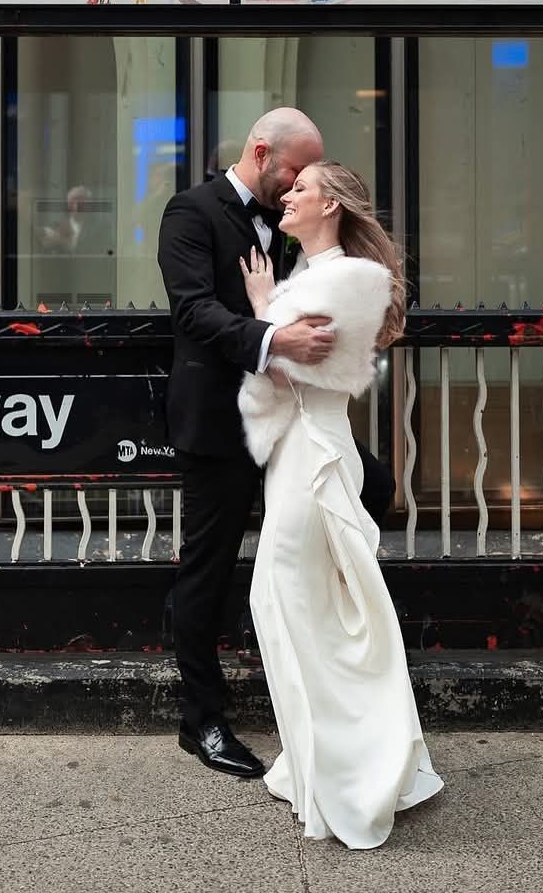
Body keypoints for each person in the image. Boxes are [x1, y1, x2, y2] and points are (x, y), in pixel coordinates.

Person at [156, 109, 396, 780]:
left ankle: (322, 661)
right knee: (208, 567)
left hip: (293, 421)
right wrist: (272, 338)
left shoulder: (294, 220)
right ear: (262, 153)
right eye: (292, 173)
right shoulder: (190, 211)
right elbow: (191, 310)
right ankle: (201, 720)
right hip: (220, 420)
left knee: (373, 490)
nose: (295, 189)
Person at [238, 160, 443, 849]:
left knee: (290, 603)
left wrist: (266, 316)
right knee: (298, 608)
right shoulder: (316, 279)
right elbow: (278, 363)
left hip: (314, 457)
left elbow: (287, 368)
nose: (287, 195)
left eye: (301, 188)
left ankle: (346, 774)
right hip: (300, 452)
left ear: (331, 204)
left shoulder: (351, 280)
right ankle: (318, 762)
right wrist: (273, 321)